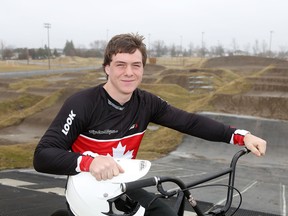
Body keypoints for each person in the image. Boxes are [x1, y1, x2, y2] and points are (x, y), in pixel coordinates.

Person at [33, 33, 267, 216]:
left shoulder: (147, 103)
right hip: (87, 189)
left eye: (136, 65)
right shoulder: (82, 103)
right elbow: (43, 155)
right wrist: (89, 161)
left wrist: (241, 136)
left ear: (143, 68)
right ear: (107, 68)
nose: (129, 72)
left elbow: (190, 122)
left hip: (124, 186)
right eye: (120, 64)